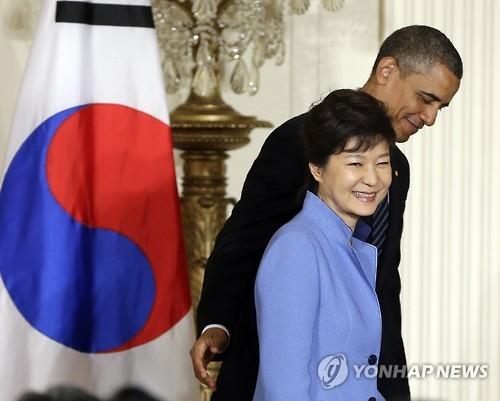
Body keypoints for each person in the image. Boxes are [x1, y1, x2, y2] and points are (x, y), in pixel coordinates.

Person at [191, 25, 462, 401]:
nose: (431, 118)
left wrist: (393, 386)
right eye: (426, 98)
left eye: (440, 108)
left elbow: (384, 283)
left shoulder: (396, 169)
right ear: (387, 70)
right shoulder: (296, 143)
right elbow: (244, 242)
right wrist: (217, 323)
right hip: (279, 367)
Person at [253, 89, 394, 400]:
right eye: (355, 163)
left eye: (382, 162)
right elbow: (284, 390)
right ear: (317, 168)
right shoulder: (297, 248)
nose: (372, 178)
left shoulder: (349, 245)